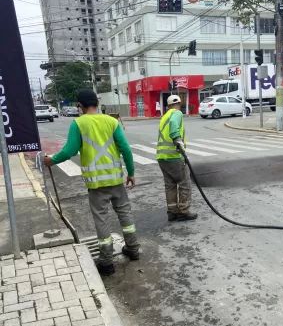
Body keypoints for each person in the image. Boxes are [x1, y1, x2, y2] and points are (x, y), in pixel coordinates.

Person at [44, 89, 139, 276]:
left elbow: (69, 151)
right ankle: (133, 249)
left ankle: (106, 262)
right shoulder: (112, 121)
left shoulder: (78, 123)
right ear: (97, 103)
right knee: (125, 214)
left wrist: (52, 160)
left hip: (96, 185)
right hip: (115, 180)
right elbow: (126, 149)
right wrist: (131, 173)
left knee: (102, 219)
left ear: (80, 106)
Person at [156, 95, 197, 222]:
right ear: (179, 104)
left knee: (170, 185)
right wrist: (177, 139)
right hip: (174, 156)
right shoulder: (177, 113)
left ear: (167, 106)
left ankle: (172, 212)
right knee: (184, 183)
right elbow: (174, 126)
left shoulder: (164, 117)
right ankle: (184, 211)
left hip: (162, 157)